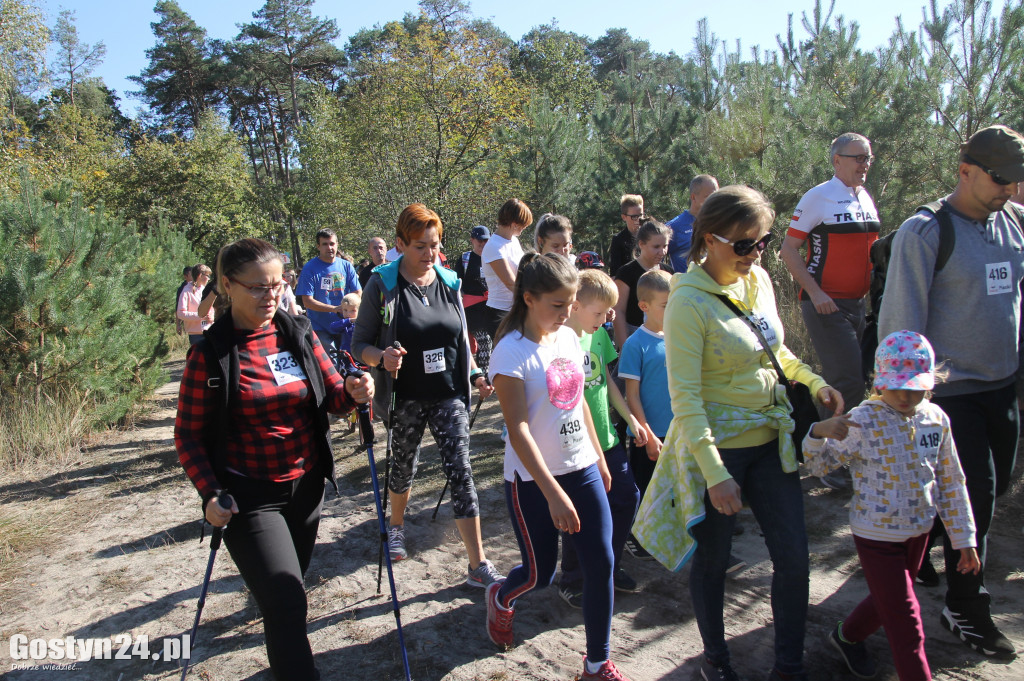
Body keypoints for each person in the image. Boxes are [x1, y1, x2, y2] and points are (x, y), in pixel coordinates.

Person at [659, 185, 842, 681]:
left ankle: (789, 666)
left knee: (794, 559)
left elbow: (774, 351)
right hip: (717, 453)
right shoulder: (688, 303)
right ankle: (715, 661)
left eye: (761, 241)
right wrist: (716, 475)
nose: (754, 252)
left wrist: (815, 382)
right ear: (708, 238)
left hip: (770, 441)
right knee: (714, 561)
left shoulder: (759, 278)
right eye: (743, 244)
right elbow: (686, 400)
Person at [174, 238, 374, 681]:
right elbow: (187, 436)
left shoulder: (296, 331)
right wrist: (210, 493)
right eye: (257, 288)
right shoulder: (210, 354)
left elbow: (332, 396)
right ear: (227, 286)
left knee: (287, 593)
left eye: (277, 285)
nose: (271, 296)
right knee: (286, 599)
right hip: (247, 496)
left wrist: (355, 390)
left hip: (306, 487)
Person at [878, 124, 1024, 660]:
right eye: (999, 179)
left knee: (996, 483)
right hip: (951, 393)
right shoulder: (925, 233)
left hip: (1002, 383)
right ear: (965, 171)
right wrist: (904, 404)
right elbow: (899, 327)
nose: (1008, 189)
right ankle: (966, 605)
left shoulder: (1013, 223)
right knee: (976, 496)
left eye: (1015, 180)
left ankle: (920, 545)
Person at [486, 252, 632, 681]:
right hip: (533, 480)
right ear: (528, 298)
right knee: (540, 573)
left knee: (601, 562)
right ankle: (501, 597)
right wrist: (553, 493)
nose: (566, 313)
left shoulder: (568, 338)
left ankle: (596, 664)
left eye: (570, 304)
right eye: (557, 305)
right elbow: (519, 430)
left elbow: (580, 402)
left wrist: (599, 457)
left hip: (583, 466)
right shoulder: (510, 352)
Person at [803, 330, 980, 681]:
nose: (904, 394)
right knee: (905, 617)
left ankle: (847, 636)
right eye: (895, 385)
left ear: (929, 384)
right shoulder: (863, 419)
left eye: (914, 387)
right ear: (879, 383)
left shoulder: (936, 419)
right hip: (876, 534)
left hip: (919, 531)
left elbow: (951, 480)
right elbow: (819, 466)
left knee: (893, 600)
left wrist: (964, 538)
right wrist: (817, 433)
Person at [352, 203, 503, 587]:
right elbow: (359, 345)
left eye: (434, 245)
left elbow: (462, 339)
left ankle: (477, 564)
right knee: (404, 466)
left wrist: (474, 374)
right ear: (400, 244)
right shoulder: (382, 284)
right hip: (405, 394)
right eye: (420, 246)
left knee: (461, 469)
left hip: (449, 392)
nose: (429, 254)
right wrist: (381, 358)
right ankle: (397, 524)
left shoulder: (450, 281)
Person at [780, 133, 880, 489]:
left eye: (868, 158)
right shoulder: (818, 196)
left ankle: (822, 452)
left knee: (847, 380)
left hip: (857, 304)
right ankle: (832, 461)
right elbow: (789, 249)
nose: (864, 164)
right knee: (848, 380)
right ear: (837, 160)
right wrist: (815, 292)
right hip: (825, 304)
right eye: (858, 158)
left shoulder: (864, 196)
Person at [558, 269, 645, 608]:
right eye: (600, 313)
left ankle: (609, 564)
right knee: (580, 512)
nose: (606, 319)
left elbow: (607, 381)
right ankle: (573, 577)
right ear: (575, 306)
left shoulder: (598, 336)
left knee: (626, 498)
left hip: (607, 438)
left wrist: (631, 420)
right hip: (577, 445)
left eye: (610, 312)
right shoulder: (562, 340)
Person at [617, 270, 671, 551]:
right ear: (644, 306)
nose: (672, 310)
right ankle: (637, 537)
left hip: (679, 431)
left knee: (674, 485)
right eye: (665, 305)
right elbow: (631, 396)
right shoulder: (635, 344)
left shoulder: (679, 337)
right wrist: (647, 433)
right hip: (648, 435)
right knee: (645, 488)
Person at [296, 228, 361, 361]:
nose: (329, 247)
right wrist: (334, 309)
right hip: (321, 327)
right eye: (325, 244)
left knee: (350, 361)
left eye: (332, 243)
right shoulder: (310, 268)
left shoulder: (346, 266)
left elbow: (357, 292)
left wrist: (348, 309)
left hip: (346, 325)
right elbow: (307, 301)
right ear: (318, 246)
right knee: (331, 364)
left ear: (337, 245)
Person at [612, 220, 673, 350]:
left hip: (663, 338)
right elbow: (618, 311)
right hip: (635, 338)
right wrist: (625, 346)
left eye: (665, 246)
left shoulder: (669, 272)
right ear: (641, 244)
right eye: (656, 247)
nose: (662, 252)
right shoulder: (626, 272)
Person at [481, 198, 533, 341]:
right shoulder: (493, 246)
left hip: (517, 310)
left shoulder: (514, 241)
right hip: (500, 313)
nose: (524, 229)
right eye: (523, 225)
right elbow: (510, 283)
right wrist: (536, 300)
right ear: (514, 224)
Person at [455, 225, 492, 370]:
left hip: (490, 308)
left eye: (485, 241)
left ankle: (490, 375)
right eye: (479, 240)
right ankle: (483, 377)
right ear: (472, 240)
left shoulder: (493, 257)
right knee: (485, 341)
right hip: (472, 309)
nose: (482, 244)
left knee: (494, 342)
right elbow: (456, 282)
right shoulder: (465, 259)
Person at [667, 174, 719, 272]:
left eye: (716, 196)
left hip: (715, 285)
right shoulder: (674, 227)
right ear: (693, 197)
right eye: (708, 197)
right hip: (687, 285)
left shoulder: (721, 223)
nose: (714, 201)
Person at [177, 264, 214, 345]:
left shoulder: (204, 289)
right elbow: (180, 314)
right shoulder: (186, 291)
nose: (208, 279)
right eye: (207, 276)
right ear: (200, 275)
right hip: (196, 335)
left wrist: (212, 317)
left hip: (209, 331)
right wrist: (200, 316)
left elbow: (211, 308)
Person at [608, 194, 644, 277]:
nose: (639, 220)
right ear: (624, 217)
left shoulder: (650, 236)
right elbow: (615, 272)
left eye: (641, 215)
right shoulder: (618, 240)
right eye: (634, 217)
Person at [175, 266, 193, 335]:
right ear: (185, 276)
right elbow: (177, 307)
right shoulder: (182, 289)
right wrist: (178, 324)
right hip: (187, 320)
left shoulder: (199, 286)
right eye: (191, 275)